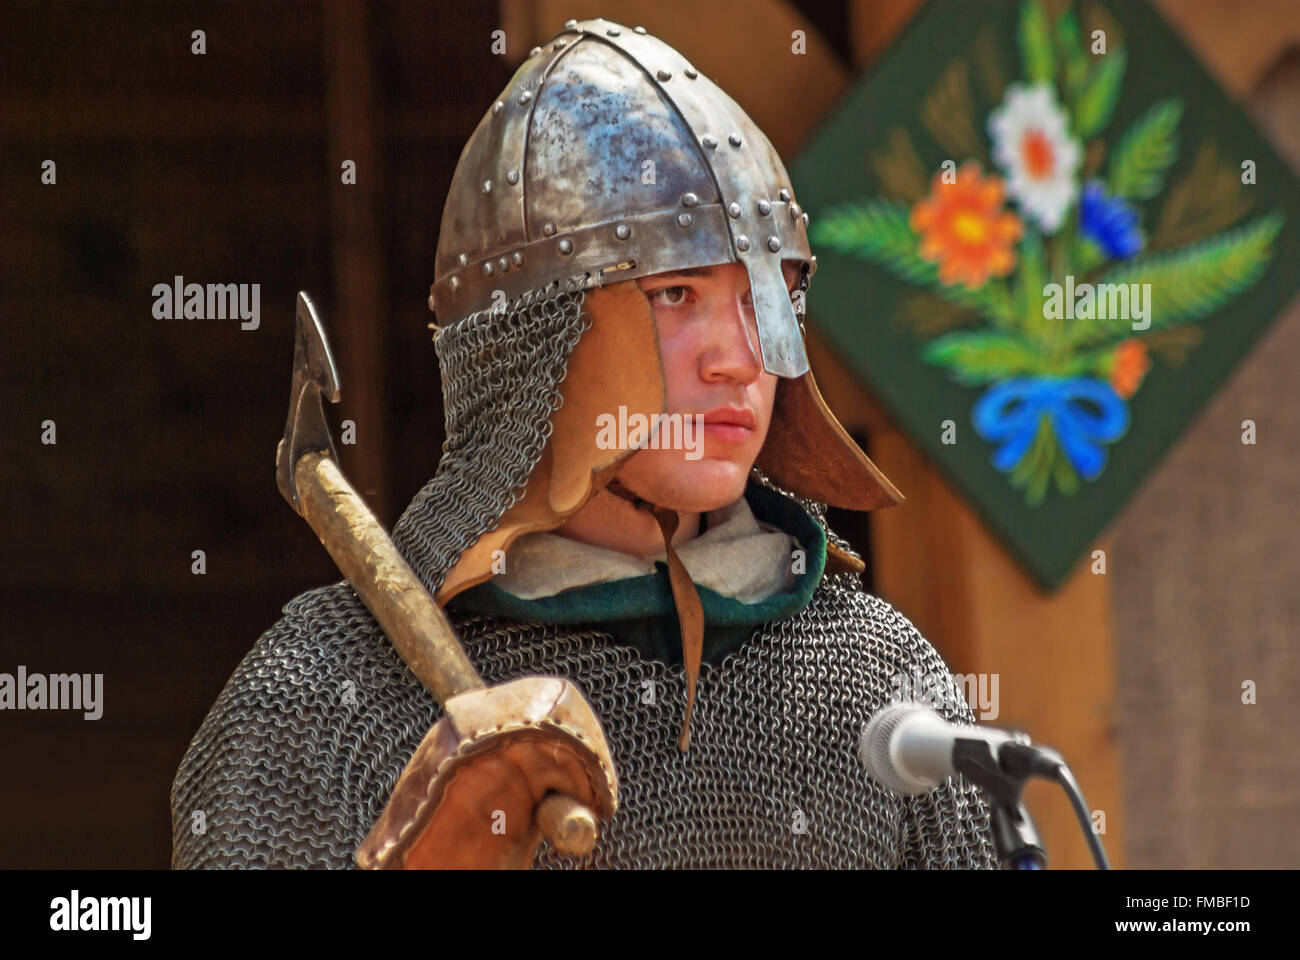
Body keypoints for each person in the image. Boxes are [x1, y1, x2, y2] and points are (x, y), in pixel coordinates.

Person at [170, 17, 998, 870]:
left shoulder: (882, 689)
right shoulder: (321, 700)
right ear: (534, 341)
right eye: (676, 293)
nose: (741, 359)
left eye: (766, 297)